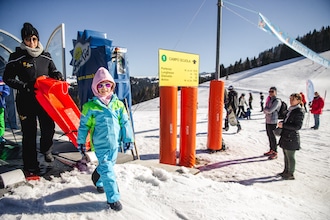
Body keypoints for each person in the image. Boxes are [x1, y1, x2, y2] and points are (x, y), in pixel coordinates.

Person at [3, 23, 63, 175]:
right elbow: (7, 78)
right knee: (29, 133)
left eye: (34, 39)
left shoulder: (45, 56)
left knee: (48, 128)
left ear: (38, 39)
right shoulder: (16, 57)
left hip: (45, 101)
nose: (32, 42)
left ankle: (46, 149)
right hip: (26, 101)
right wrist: (24, 86)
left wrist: (57, 75)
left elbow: (53, 70)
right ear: (24, 40)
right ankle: (31, 164)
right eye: (28, 39)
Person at [77, 67, 134, 211]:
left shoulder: (118, 104)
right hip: (101, 145)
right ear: (95, 87)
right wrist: (81, 142)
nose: (104, 88)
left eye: (107, 84)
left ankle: (97, 178)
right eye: (100, 85)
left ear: (112, 86)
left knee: (107, 167)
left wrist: (128, 139)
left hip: (115, 144)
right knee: (109, 172)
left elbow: (125, 122)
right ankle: (113, 199)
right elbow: (84, 126)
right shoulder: (90, 106)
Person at [277, 93, 304, 180]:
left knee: (290, 156)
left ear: (299, 100)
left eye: (293, 99)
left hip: (292, 137)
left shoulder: (299, 111)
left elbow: (297, 126)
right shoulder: (290, 110)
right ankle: (286, 171)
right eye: (290, 99)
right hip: (286, 136)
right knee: (285, 155)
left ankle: (291, 173)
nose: (291, 101)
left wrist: (284, 125)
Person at [263, 86, 281, 160]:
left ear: (275, 92)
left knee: (272, 137)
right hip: (268, 120)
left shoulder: (277, 101)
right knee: (269, 136)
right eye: (269, 92)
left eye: (272, 92)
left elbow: (270, 110)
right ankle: (271, 150)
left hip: (273, 121)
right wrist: (266, 110)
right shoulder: (269, 100)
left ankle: (275, 152)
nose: (270, 93)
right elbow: (265, 109)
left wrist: (266, 110)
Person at [0, 76, 10, 149]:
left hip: (0, 105)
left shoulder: (1, 80)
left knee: (1, 122)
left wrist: (2, 93)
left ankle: (0, 136)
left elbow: (7, 91)